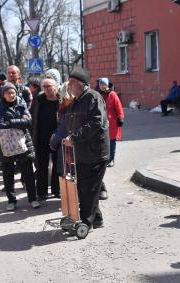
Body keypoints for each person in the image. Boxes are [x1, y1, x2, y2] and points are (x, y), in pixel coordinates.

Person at [64, 67, 109, 231]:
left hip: (95, 152)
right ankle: (96, 219)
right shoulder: (76, 100)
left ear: (82, 84)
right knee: (85, 187)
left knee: (88, 189)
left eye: (72, 82)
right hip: (82, 152)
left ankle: (86, 223)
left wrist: (74, 138)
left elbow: (96, 122)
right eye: (69, 82)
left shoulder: (93, 97)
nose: (69, 85)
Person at [0, 82, 39, 210]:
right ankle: (11, 200)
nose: (11, 95)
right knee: (8, 173)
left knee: (28, 172)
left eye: (13, 92)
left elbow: (29, 122)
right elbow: (0, 125)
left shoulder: (21, 103)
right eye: (8, 93)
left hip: (23, 142)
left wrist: (11, 121)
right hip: (7, 144)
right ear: (3, 95)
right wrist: (19, 121)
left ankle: (33, 199)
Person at [32, 77, 60, 200]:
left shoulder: (62, 100)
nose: (46, 89)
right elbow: (32, 117)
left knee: (57, 165)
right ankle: (41, 192)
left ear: (56, 87)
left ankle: (56, 189)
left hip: (58, 139)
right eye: (44, 86)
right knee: (41, 166)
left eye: (49, 86)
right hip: (41, 138)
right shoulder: (39, 100)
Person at [97, 77, 124, 168]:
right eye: (101, 84)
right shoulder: (97, 94)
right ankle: (103, 158)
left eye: (104, 84)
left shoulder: (112, 94)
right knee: (101, 141)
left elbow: (118, 107)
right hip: (100, 122)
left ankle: (111, 159)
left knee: (112, 141)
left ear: (107, 85)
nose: (103, 86)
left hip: (112, 123)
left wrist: (120, 118)